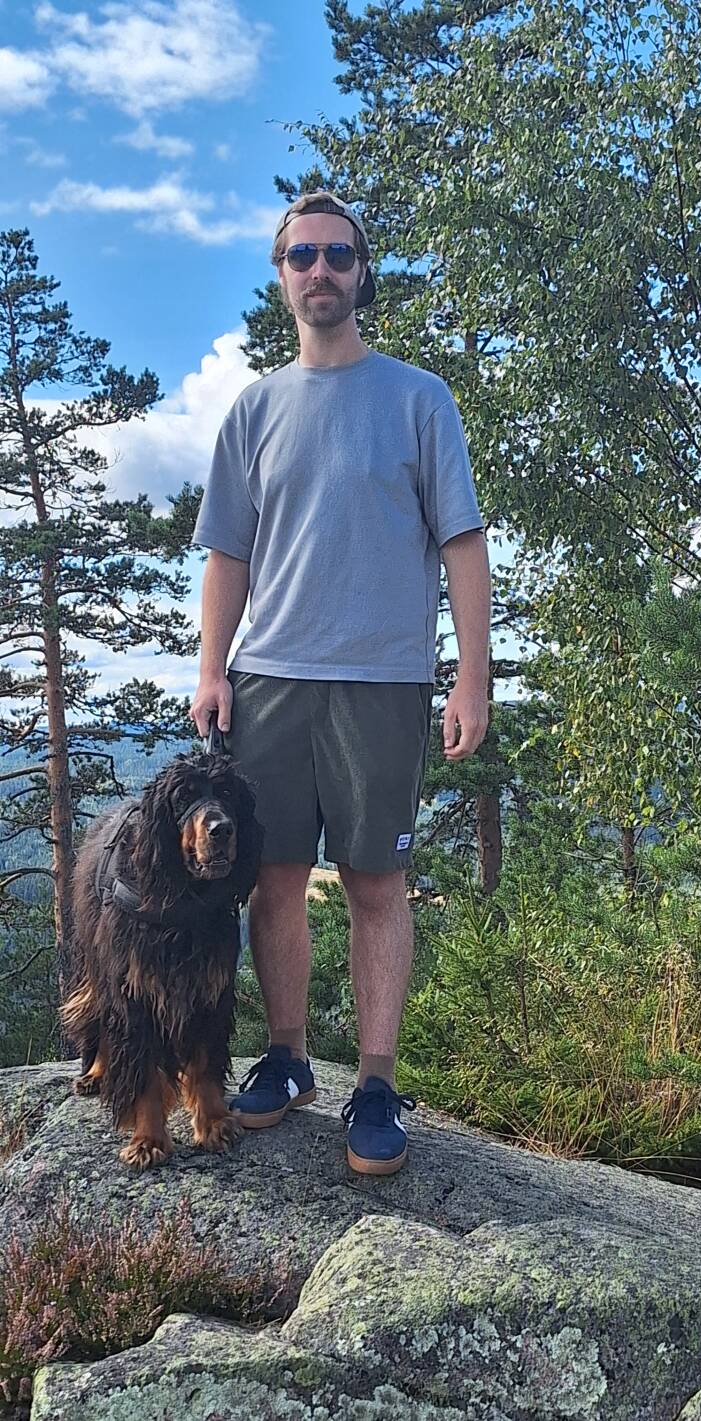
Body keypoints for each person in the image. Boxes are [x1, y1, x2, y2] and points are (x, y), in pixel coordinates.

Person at [190, 189, 490, 1176]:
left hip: (381, 682)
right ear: (281, 277)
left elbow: (463, 544)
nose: (319, 270)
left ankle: (374, 1083)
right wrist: (211, 668)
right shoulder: (253, 409)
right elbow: (228, 555)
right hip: (268, 677)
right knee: (273, 878)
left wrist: (470, 680)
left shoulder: (418, 398)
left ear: (362, 273)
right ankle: (286, 1059)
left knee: (374, 883)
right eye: (301, 256)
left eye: (337, 255)